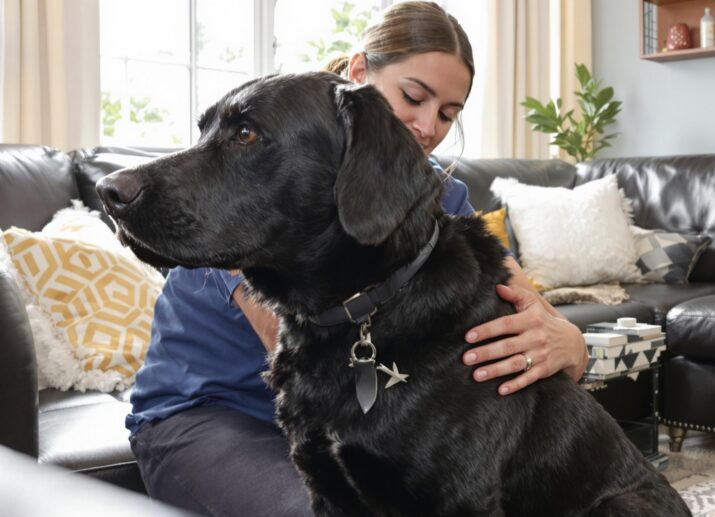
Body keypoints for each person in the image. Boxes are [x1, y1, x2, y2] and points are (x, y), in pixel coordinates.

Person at [127, 2, 587, 515]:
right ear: (360, 72)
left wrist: (568, 344)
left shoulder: (433, 191)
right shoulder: (254, 188)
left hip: (348, 422)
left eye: (448, 113)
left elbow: (525, 310)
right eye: (414, 96)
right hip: (212, 415)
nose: (427, 125)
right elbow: (309, 360)